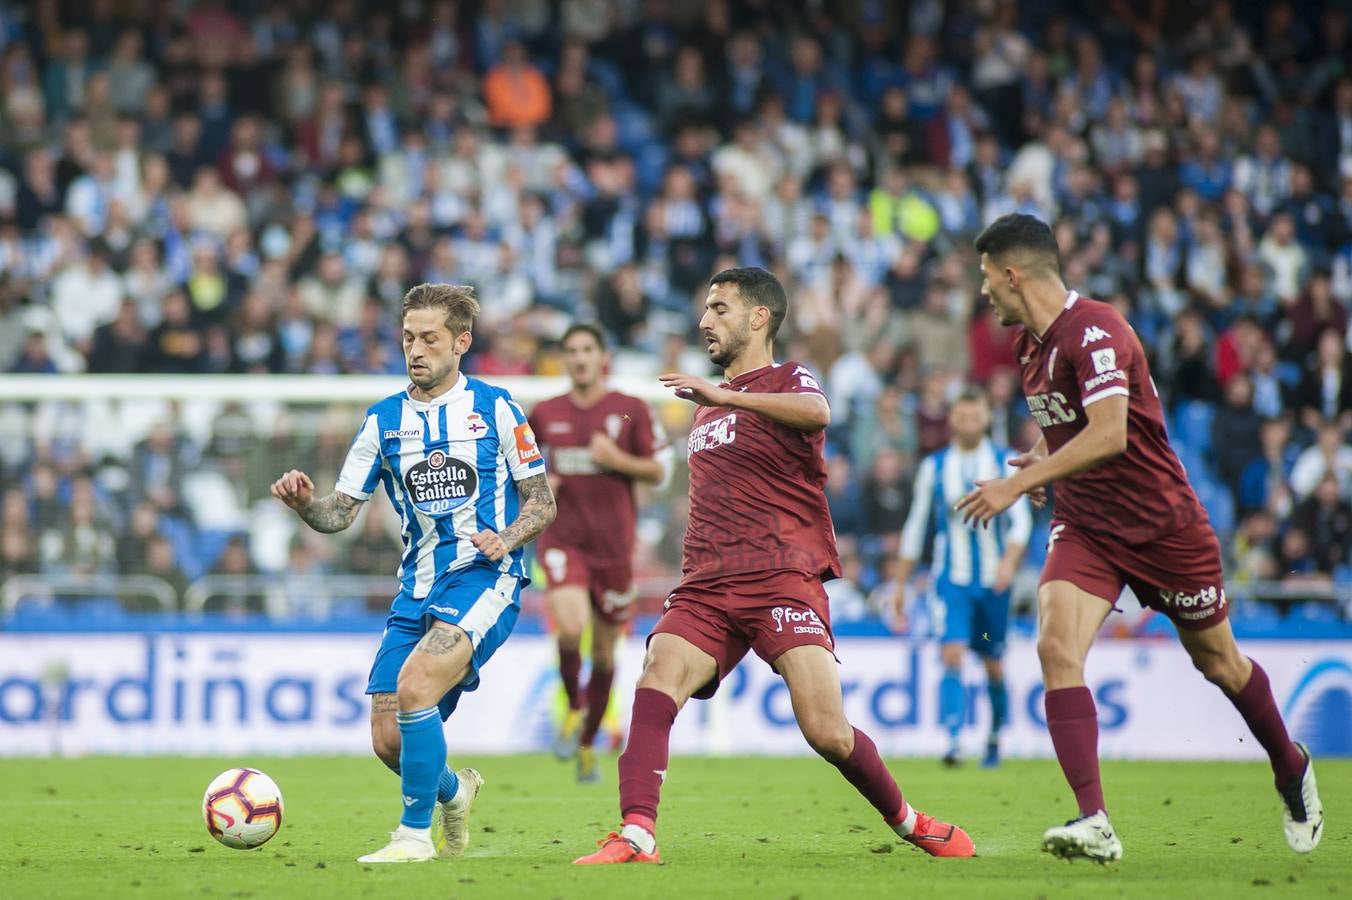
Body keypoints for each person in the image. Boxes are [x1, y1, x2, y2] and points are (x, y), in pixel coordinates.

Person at [575, 267, 975, 865]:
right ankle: (637, 833)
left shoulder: (787, 379)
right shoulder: (706, 411)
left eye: (719, 308)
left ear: (759, 317)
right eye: (705, 309)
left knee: (826, 731)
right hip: (707, 585)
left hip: (782, 578)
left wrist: (724, 395)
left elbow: (818, 412)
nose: (705, 320)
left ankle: (910, 820)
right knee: (656, 677)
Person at [956, 214, 1323, 862]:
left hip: (1163, 526)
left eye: (987, 276)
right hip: (1087, 525)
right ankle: (1093, 819)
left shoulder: (1095, 329)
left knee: (1219, 664)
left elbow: (1109, 433)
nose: (983, 291)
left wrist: (1022, 482)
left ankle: (1289, 765)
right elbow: (1069, 426)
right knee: (1054, 644)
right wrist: (1039, 458)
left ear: (1013, 274)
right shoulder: (1027, 349)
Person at [270, 284, 556, 864]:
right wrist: (305, 506)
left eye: (429, 338)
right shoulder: (382, 422)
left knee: (416, 685)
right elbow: (339, 514)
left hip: (484, 577)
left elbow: (542, 503)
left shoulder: (496, 407)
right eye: (408, 338)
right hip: (416, 587)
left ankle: (412, 837)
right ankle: (456, 789)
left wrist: (506, 538)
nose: (416, 349)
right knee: (388, 740)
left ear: (461, 342)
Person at [529, 323, 670, 781]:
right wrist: (538, 488)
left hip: (613, 549)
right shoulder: (545, 414)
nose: (580, 357)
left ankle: (589, 740)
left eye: (587, 349)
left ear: (602, 355)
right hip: (563, 541)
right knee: (570, 629)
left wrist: (617, 460)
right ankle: (573, 707)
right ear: (565, 359)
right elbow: (518, 474)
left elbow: (659, 472)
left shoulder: (630, 412)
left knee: (607, 656)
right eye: (571, 350)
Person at [890, 388, 1031, 768]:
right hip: (951, 582)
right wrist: (900, 586)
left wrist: (1008, 564)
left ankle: (994, 735)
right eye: (962, 416)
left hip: (992, 585)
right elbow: (916, 526)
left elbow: (1021, 523)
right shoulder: (934, 467)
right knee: (951, 652)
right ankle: (953, 740)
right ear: (952, 419)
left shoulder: (1005, 462)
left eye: (975, 415)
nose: (968, 422)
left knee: (991, 662)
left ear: (986, 418)